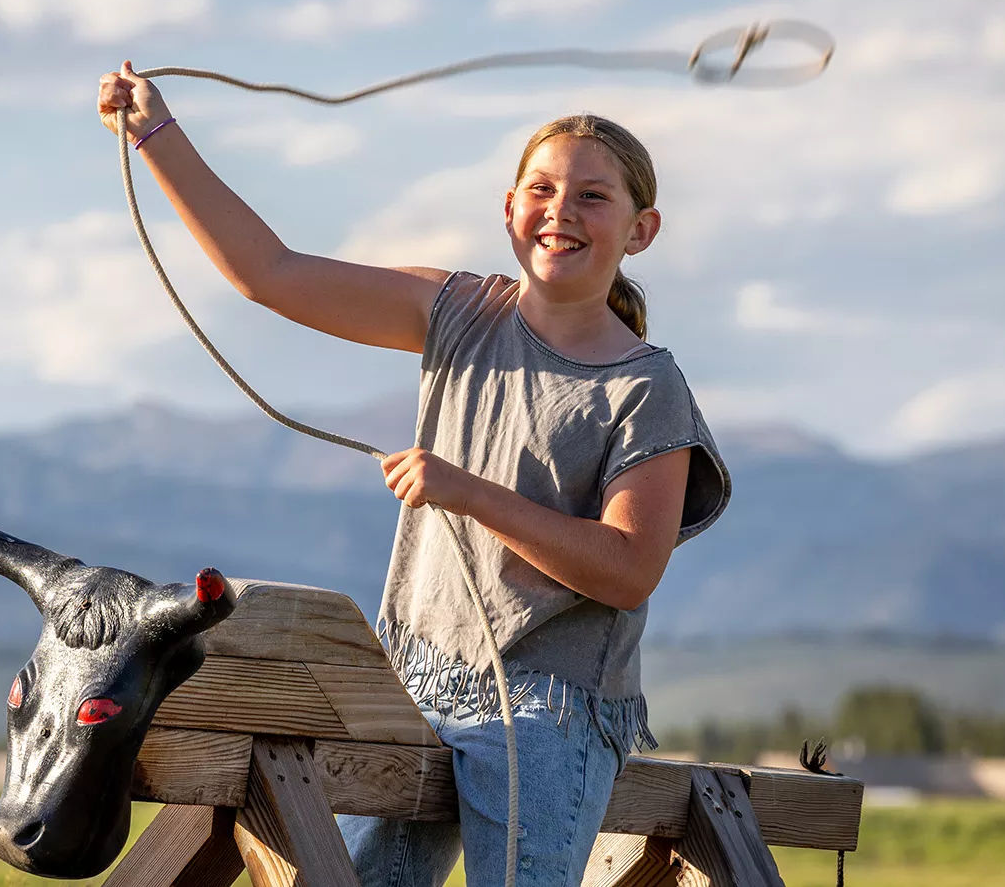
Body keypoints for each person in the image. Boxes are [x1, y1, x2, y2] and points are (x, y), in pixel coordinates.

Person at [98, 60, 731, 887]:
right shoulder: (458, 312)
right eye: (540, 190)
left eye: (592, 196)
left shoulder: (647, 386)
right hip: (415, 676)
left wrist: (467, 493)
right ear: (509, 211)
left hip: (552, 706)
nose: (560, 212)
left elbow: (628, 568)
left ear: (640, 230)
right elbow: (271, 273)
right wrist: (155, 136)